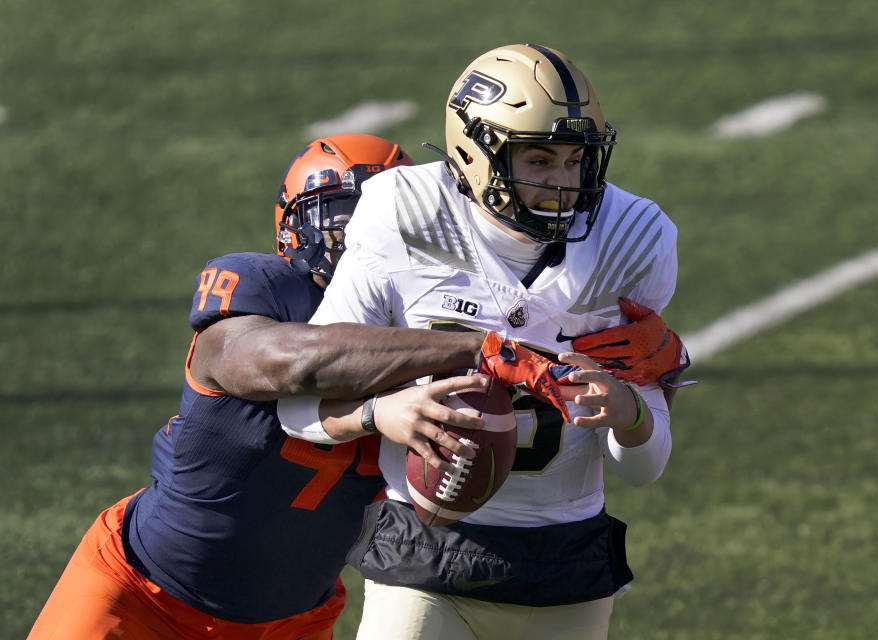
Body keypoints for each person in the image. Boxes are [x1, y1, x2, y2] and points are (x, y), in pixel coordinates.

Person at [27, 133, 576, 640]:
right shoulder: (264, 289)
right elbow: (284, 363)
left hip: (294, 622)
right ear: (297, 226)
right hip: (140, 594)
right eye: (345, 216)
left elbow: (546, 350)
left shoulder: (428, 316)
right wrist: (475, 348)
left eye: (382, 217)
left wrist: (635, 354)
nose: (364, 233)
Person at [279, 44, 684, 640]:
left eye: (576, 160)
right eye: (540, 160)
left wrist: (629, 412)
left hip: (564, 564)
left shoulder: (633, 238)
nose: (563, 184)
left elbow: (647, 467)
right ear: (473, 152)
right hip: (426, 555)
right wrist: (379, 411)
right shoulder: (405, 215)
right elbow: (299, 401)